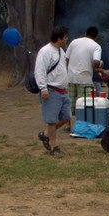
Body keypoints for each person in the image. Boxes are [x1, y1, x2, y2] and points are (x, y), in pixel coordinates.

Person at [35, 26, 70, 157]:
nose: (66, 39)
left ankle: (45, 134)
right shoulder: (45, 51)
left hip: (62, 91)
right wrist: (43, 88)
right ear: (59, 38)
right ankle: (53, 147)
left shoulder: (61, 51)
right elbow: (40, 71)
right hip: (51, 90)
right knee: (51, 121)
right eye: (65, 37)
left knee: (66, 118)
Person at [66, 26, 103, 115]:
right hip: (85, 78)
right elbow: (96, 62)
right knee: (83, 103)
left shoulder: (74, 42)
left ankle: (68, 125)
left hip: (70, 77)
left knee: (70, 103)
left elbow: (67, 58)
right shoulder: (96, 46)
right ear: (97, 36)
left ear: (86, 34)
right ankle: (81, 123)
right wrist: (95, 68)